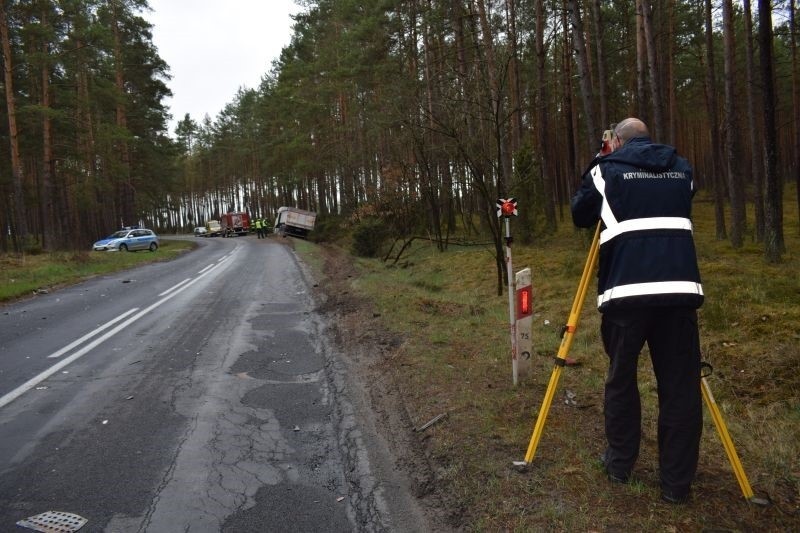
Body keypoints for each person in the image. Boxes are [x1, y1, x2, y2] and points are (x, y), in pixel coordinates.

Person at [571, 118, 704, 504]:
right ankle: (677, 485)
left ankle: (619, 464)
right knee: (680, 388)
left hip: (626, 294)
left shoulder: (606, 170)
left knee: (622, 380)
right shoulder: (682, 168)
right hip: (679, 293)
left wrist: (600, 160)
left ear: (616, 140)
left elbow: (581, 214)